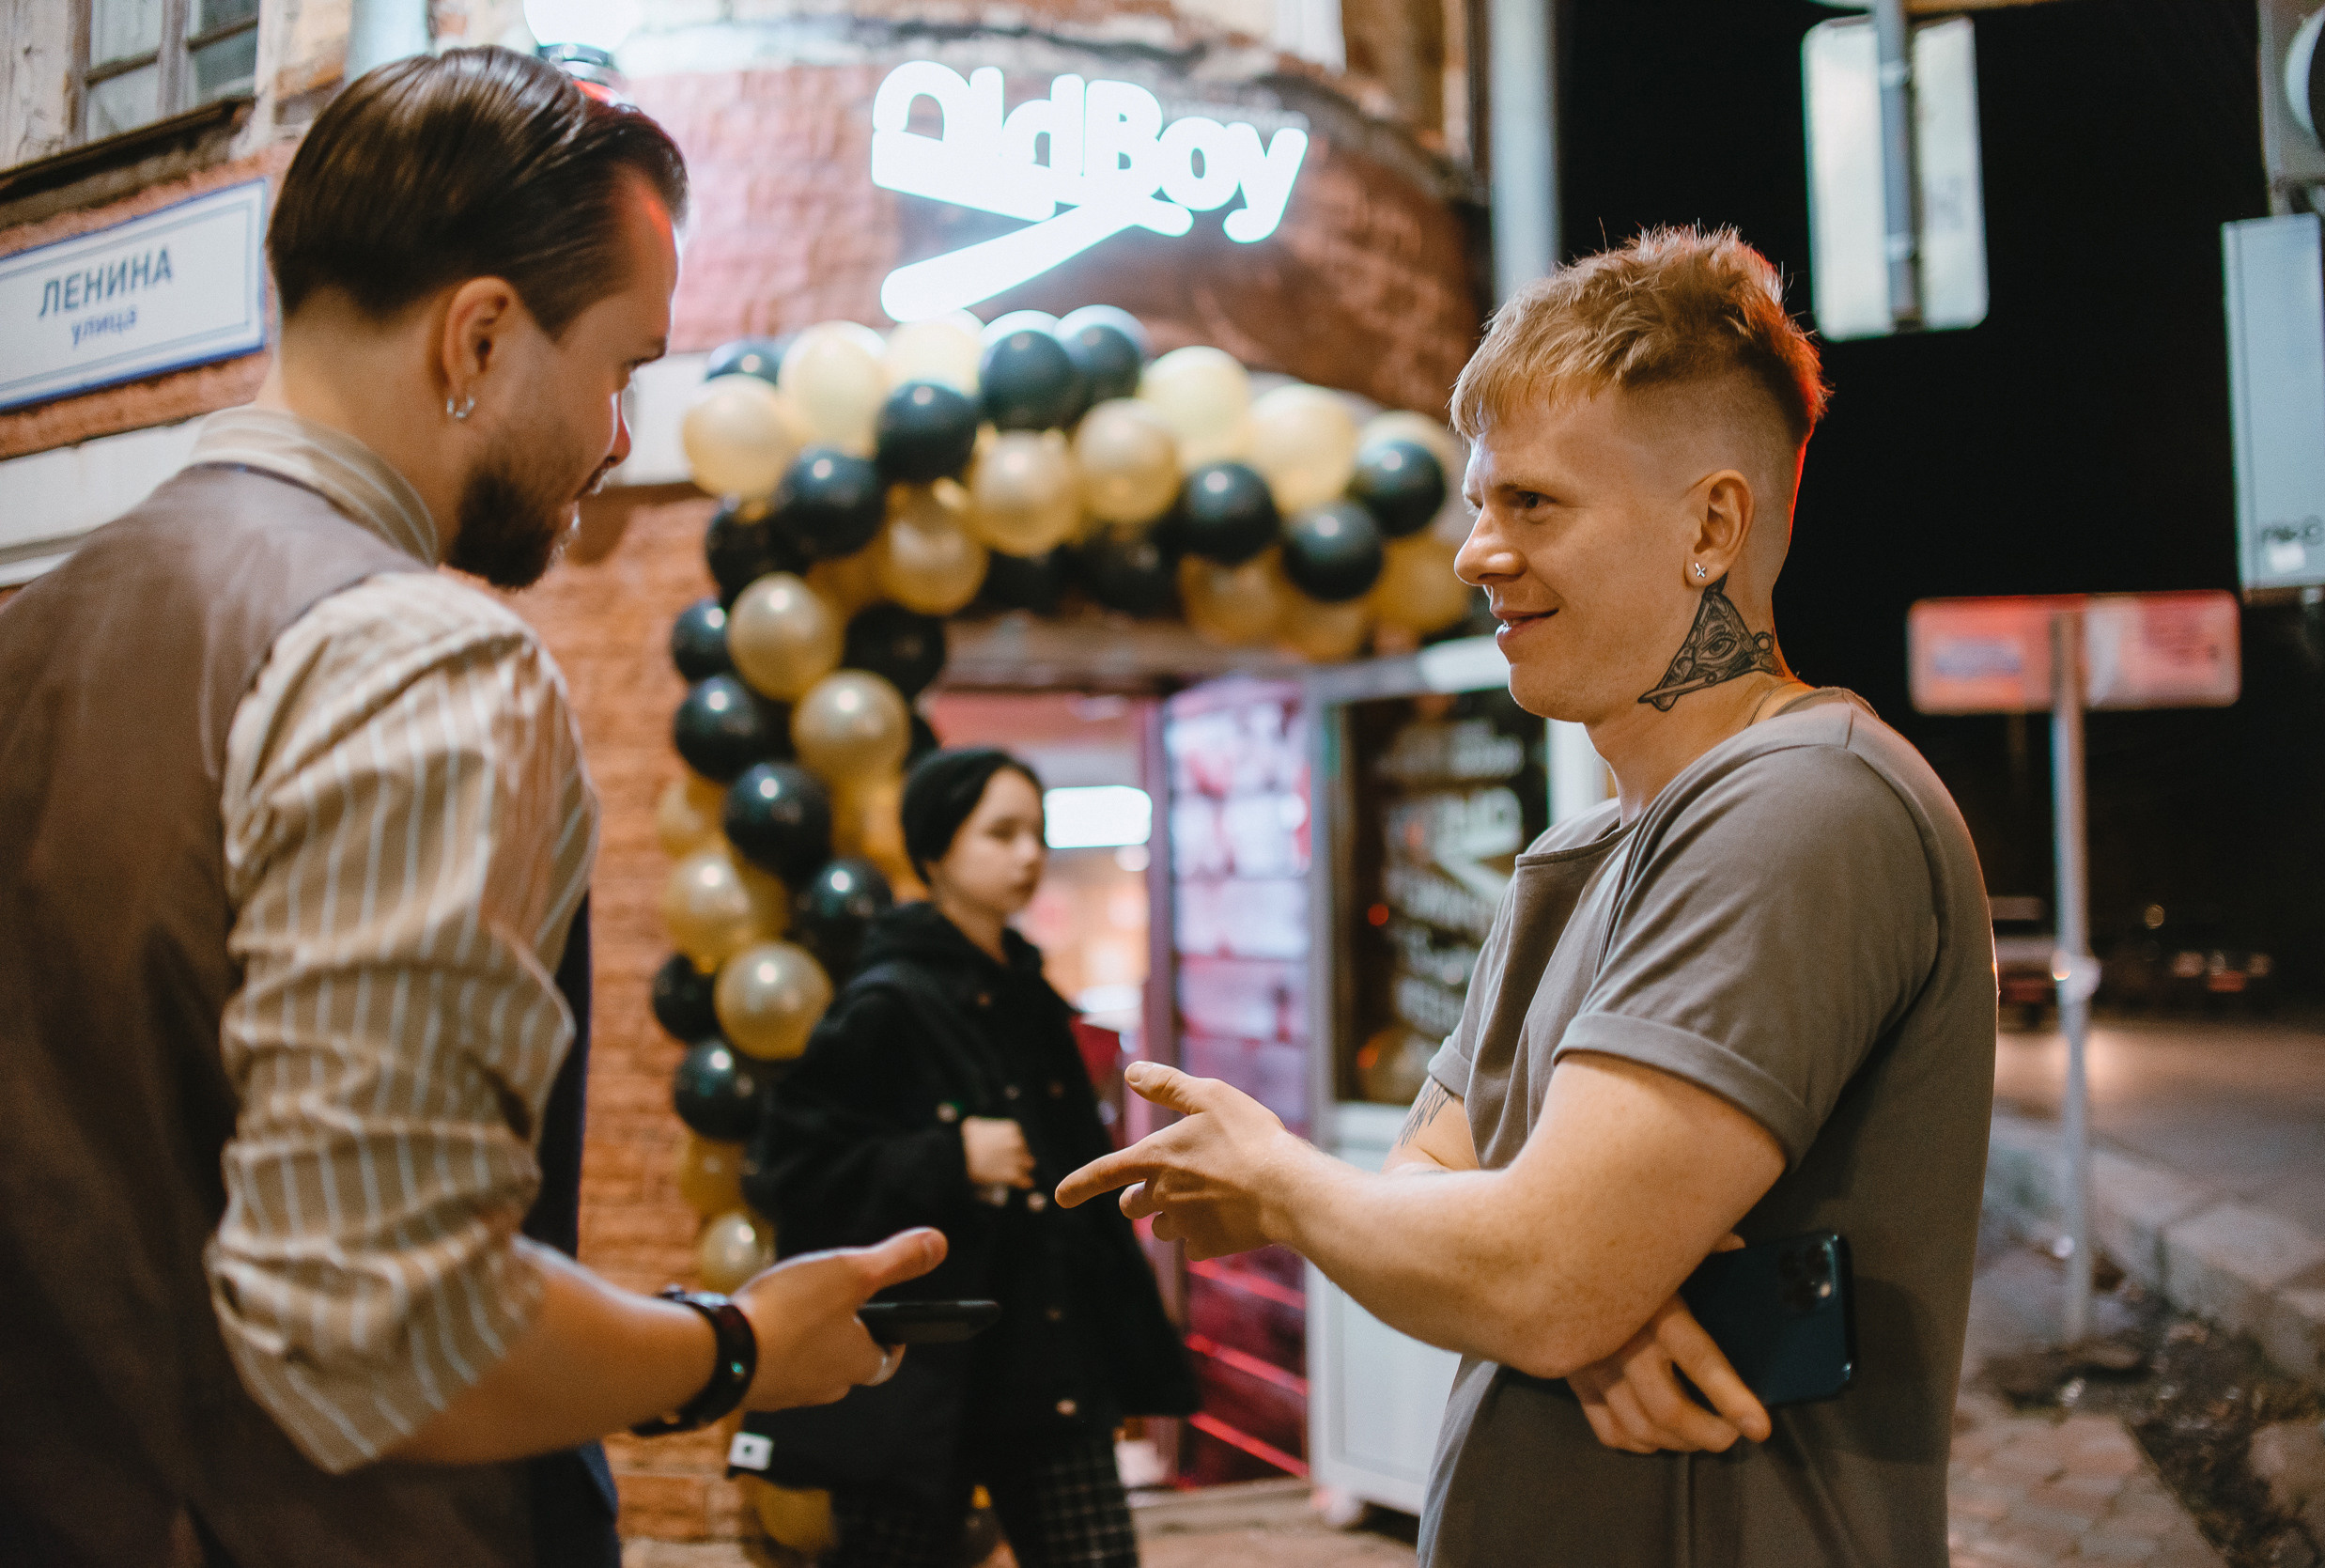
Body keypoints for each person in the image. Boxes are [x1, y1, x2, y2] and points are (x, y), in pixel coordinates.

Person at [0, 48, 939, 1568]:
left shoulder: (33, 630)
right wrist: (737, 1344)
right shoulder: (419, 658)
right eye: (622, 369)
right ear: (481, 337)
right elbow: (386, 1319)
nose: (621, 436)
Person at [1060, 228, 1998, 1566]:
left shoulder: (1804, 806)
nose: (1475, 554)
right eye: (1478, 503)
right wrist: (1582, 1291)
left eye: (1535, 504)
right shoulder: (1580, 854)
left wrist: (1290, 1183)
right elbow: (1444, 1208)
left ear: (1711, 527)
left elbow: (1532, 1270)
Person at [742, 747, 1197, 1568]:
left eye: (1036, 833)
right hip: (921, 1373)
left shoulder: (1027, 994)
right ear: (935, 850)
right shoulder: (888, 1000)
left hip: (1045, 1358)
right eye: (1001, 832)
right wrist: (949, 1157)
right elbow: (797, 1170)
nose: (1028, 855)